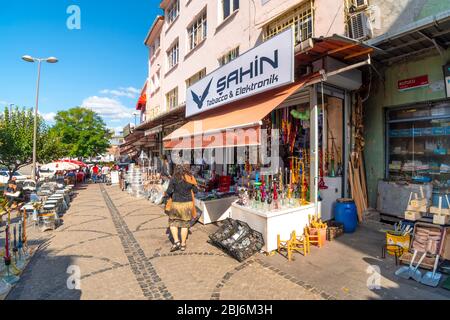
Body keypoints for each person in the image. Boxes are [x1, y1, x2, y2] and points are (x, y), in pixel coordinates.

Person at [165, 165, 198, 252]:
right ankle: (183, 244)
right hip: (188, 204)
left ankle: (176, 242)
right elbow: (195, 191)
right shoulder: (191, 178)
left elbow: (169, 191)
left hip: (176, 203)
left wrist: (169, 195)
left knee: (173, 223)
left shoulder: (174, 178)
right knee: (185, 224)